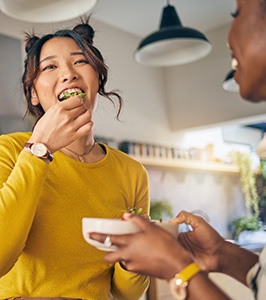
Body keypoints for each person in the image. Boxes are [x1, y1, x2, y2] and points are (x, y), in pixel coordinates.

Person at [90, 0, 266, 299]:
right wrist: (221, 253)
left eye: (238, 14)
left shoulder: (130, 171)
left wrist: (179, 267)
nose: (229, 35)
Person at [0, 20, 150, 299]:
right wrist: (39, 149)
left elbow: (128, 292)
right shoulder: (9, 150)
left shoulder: (132, 172)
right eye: (50, 66)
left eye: (80, 62)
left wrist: (137, 247)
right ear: (33, 93)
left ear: (97, 80)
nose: (68, 74)